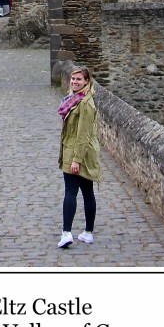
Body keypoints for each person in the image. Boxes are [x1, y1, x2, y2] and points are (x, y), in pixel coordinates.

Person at [57, 65, 100, 247]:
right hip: (76, 151)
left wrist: (76, 160)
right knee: (86, 192)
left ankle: (67, 233)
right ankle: (87, 233)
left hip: (78, 153)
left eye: (79, 80)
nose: (75, 82)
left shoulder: (85, 104)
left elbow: (83, 136)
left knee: (72, 192)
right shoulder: (74, 100)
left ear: (87, 82)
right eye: (73, 79)